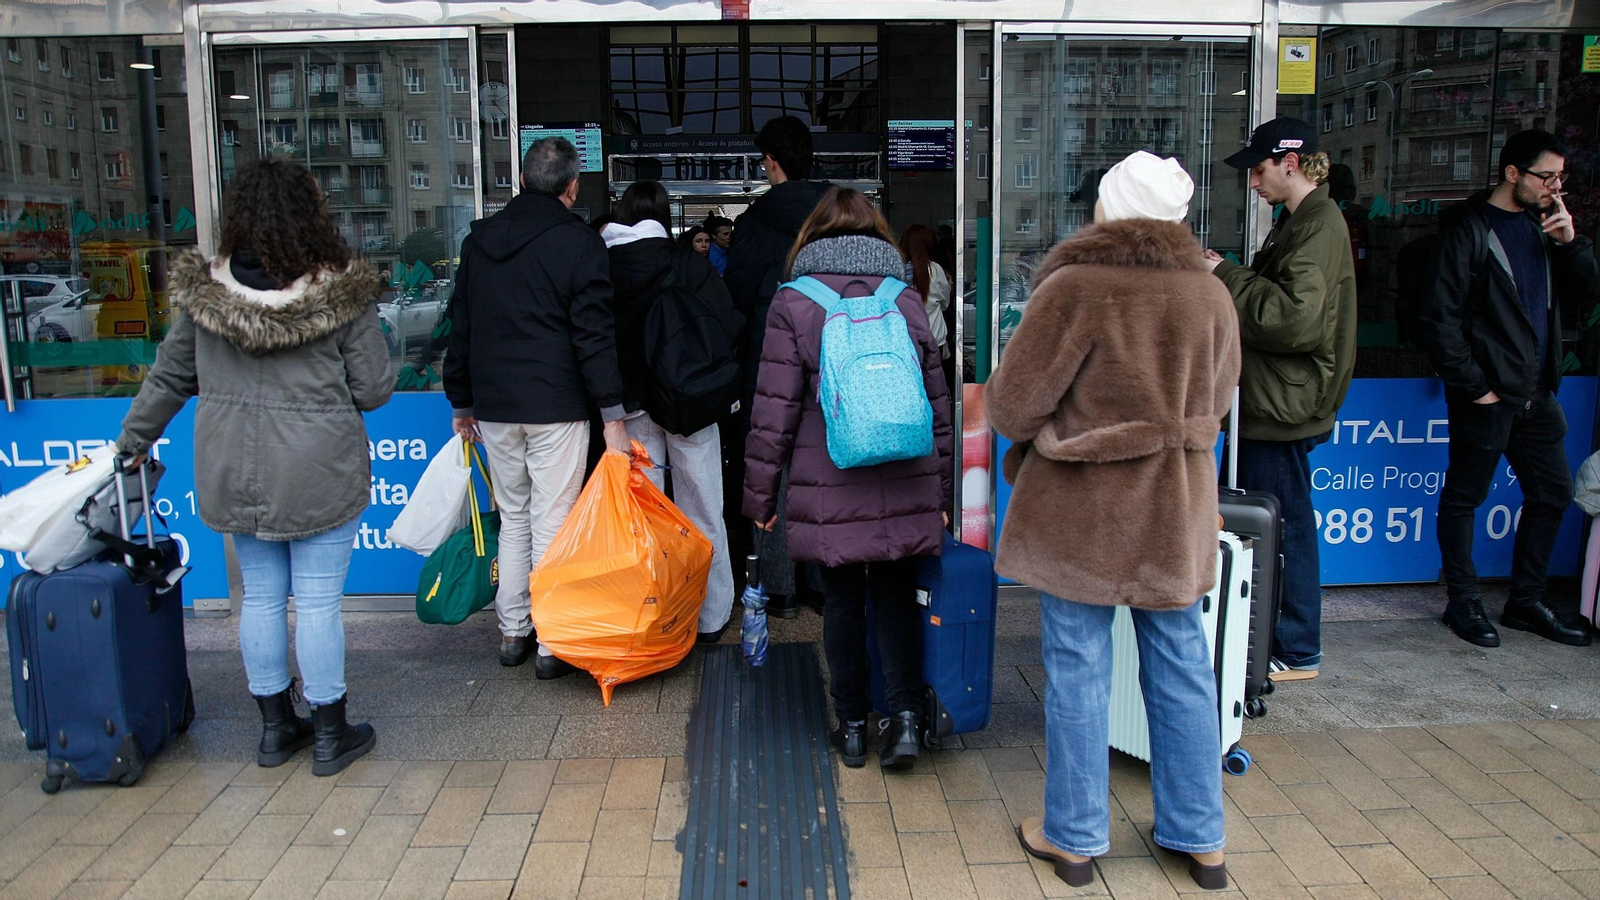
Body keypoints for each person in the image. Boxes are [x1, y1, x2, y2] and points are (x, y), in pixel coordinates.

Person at [989, 150, 1239, 890]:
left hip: (1084, 509)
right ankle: (1202, 838)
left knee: (1077, 670)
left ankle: (1073, 838)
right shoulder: (1212, 296)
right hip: (1175, 504)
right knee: (1184, 665)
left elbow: (1013, 406)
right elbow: (1218, 405)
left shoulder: (1077, 287)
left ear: (1108, 209)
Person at [116, 159, 393, 777]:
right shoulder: (342, 293)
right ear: (312, 215)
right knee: (318, 603)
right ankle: (329, 734)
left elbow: (169, 377)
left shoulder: (204, 295)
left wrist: (133, 440)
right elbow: (374, 389)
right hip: (318, 467)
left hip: (233, 467)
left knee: (261, 598)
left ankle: (274, 730)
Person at [743, 187, 953, 771]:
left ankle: (853, 727)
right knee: (893, 594)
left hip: (829, 477)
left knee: (841, 601)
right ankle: (906, 720)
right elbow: (937, 403)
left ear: (813, 236)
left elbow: (773, 409)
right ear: (875, 234)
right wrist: (941, 492)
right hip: (905, 473)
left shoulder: (794, 301)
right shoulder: (904, 297)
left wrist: (760, 498)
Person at [444, 136, 632, 677]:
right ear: (571, 188)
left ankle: (512, 631)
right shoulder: (578, 244)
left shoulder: (479, 242)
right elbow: (594, 336)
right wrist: (612, 414)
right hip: (557, 404)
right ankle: (552, 642)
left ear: (522, 180)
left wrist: (462, 399)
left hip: (496, 406)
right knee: (553, 518)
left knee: (514, 516)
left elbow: (463, 325)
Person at [1416, 129, 1599, 648]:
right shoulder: (1469, 229)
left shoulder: (1546, 230)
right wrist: (1477, 388)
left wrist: (1571, 245)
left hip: (1536, 393)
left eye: (1561, 178)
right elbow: (1439, 318)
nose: (1555, 189)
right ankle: (1464, 603)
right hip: (1490, 395)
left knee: (1554, 493)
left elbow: (1585, 292)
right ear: (1512, 173)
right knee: (1464, 498)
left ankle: (1526, 601)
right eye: (1546, 177)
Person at [1205, 117, 1356, 683]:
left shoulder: (1318, 225)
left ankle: (1295, 646)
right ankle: (1282, 639)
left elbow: (1293, 320)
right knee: (1272, 520)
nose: (1253, 182)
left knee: (1282, 523)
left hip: (1281, 405)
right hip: (1272, 400)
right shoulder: (1302, 221)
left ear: (1290, 163)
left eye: (1260, 169)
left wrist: (1227, 273)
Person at [603, 181, 743, 642]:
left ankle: (654, 612)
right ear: (664, 216)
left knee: (647, 513)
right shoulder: (686, 260)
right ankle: (711, 613)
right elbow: (728, 321)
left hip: (635, 406)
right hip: (690, 403)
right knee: (703, 505)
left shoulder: (608, 264)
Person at [724, 115, 831, 617]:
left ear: (771, 161)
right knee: (831, 463)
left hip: (770, 364)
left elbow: (737, 301)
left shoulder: (756, 223)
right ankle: (825, 581)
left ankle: (781, 586)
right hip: (835, 361)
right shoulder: (841, 215)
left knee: (775, 467)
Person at [899, 224, 952, 363]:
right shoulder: (934, 269)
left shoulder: (896, 271)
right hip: (933, 337)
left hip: (904, 340)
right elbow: (945, 303)